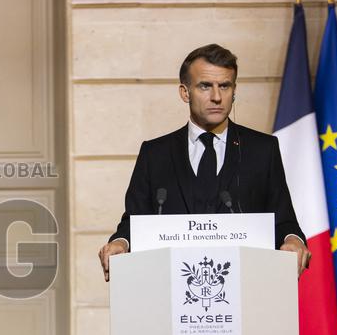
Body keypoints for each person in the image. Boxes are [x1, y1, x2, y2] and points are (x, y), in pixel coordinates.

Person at [98, 43, 309, 281]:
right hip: (170, 288)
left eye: (225, 86)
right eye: (205, 86)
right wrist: (119, 243)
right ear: (185, 92)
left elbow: (284, 221)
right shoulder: (155, 153)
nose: (217, 97)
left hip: (245, 287)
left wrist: (294, 241)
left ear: (234, 90)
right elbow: (134, 221)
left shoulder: (263, 149)